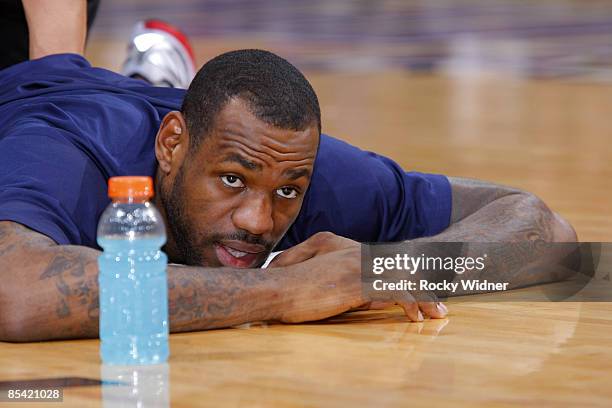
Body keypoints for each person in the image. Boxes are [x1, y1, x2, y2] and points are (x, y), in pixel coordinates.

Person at [0, 22, 576, 342]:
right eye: (230, 180)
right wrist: (291, 290)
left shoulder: (286, 162)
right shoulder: (65, 152)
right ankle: (150, 71)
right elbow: (14, 296)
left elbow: (548, 231)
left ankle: (156, 74)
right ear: (171, 147)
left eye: (286, 193)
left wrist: (388, 268)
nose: (257, 220)